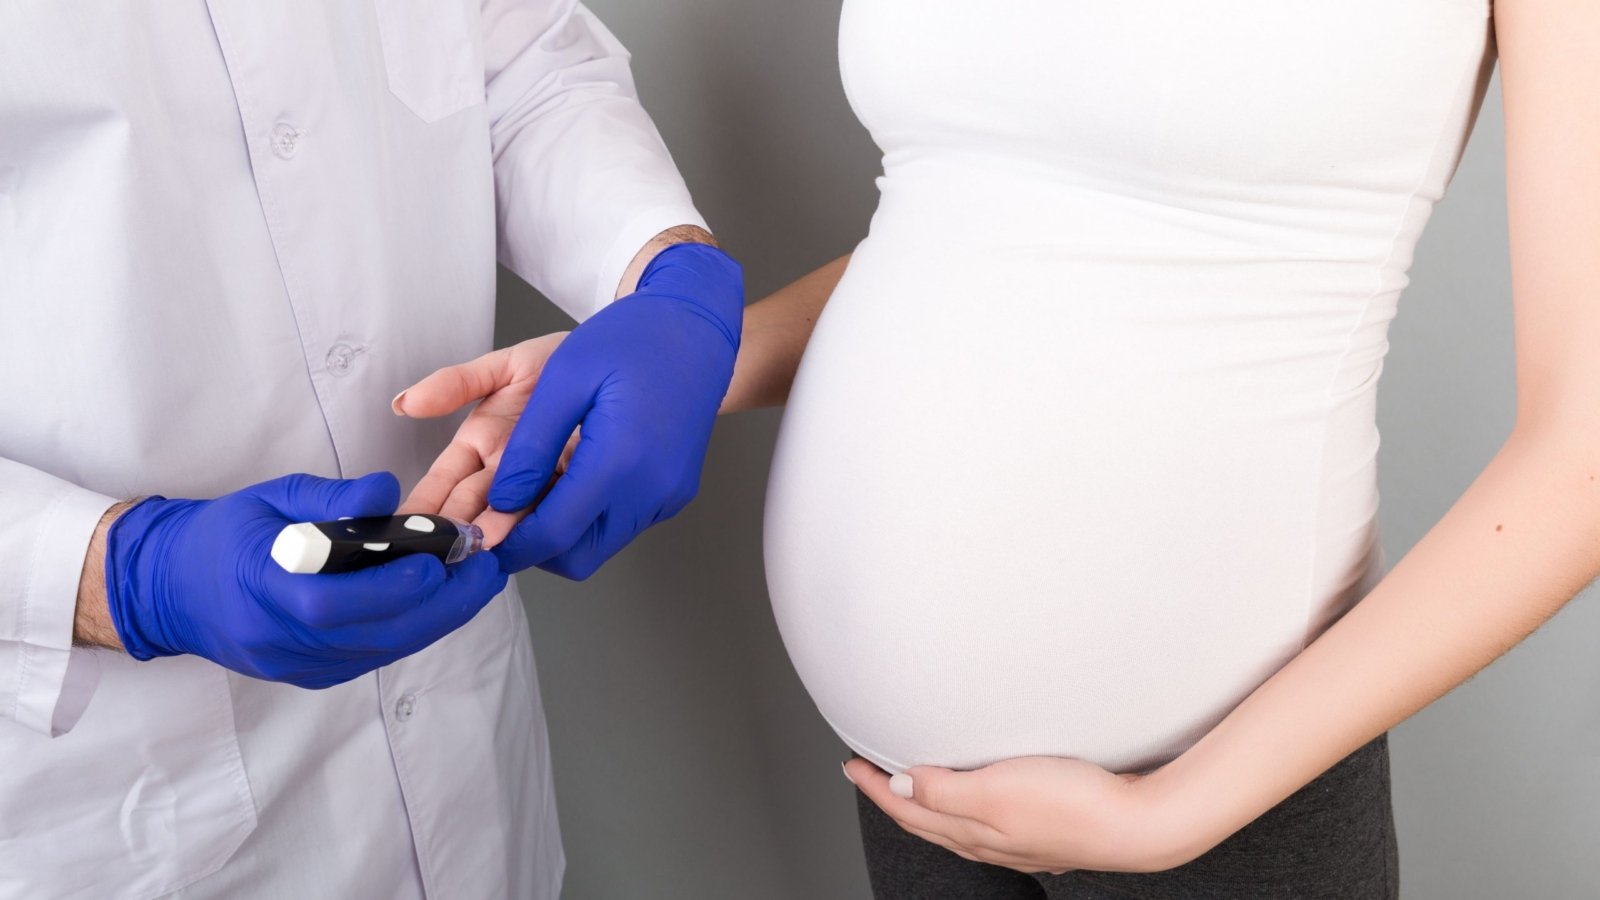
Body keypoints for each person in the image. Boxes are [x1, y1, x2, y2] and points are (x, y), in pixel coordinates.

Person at [421, 0, 1599, 896]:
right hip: (912, 794)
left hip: (1219, 783)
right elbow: (976, 222)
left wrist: (1174, 813)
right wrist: (677, 362)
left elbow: (1580, 454)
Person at [0, 3, 742, 898]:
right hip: (120, 795)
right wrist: (126, 576)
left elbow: (522, 64)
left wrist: (664, 267)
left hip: (469, 752)